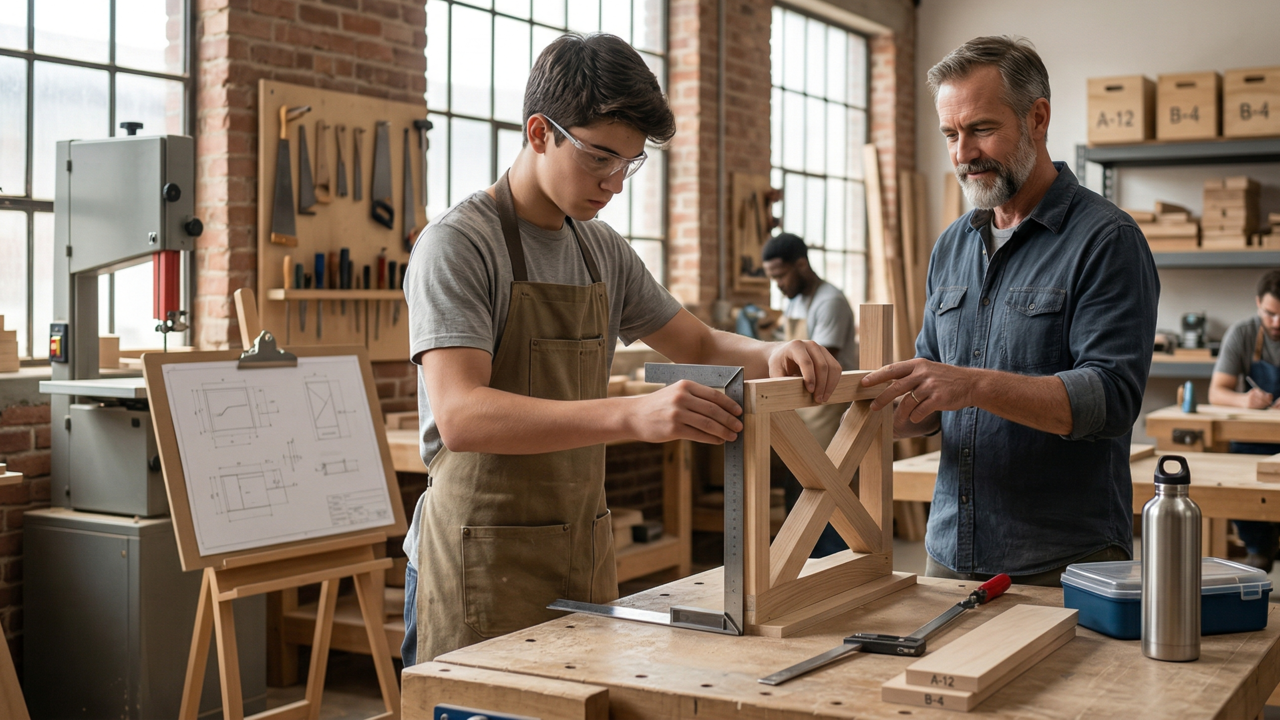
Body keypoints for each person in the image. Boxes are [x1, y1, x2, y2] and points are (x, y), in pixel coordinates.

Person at [401, 33, 842, 666]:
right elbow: (464, 416)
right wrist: (633, 415)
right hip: (478, 561)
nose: (614, 182)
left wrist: (775, 353)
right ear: (538, 132)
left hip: (580, 551)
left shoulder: (599, 248)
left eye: (629, 164)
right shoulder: (458, 245)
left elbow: (698, 340)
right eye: (599, 158)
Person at [860, 36, 1160, 586]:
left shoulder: (1106, 239)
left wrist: (972, 386)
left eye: (980, 129)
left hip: (1062, 561)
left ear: (1037, 119)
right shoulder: (952, 245)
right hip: (949, 552)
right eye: (951, 134)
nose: (962, 153)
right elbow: (934, 389)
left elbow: (1111, 399)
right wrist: (882, 413)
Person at [762, 233, 858, 556]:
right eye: (772, 277)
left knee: (828, 502)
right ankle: (803, 569)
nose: (778, 285)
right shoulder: (796, 300)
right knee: (801, 499)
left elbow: (817, 365)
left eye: (781, 276)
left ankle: (832, 572)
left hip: (828, 416)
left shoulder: (830, 301)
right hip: (803, 419)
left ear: (801, 265)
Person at [1208, 270, 1280, 571]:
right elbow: (1216, 392)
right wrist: (1245, 400)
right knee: (1237, 469)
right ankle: (1258, 547)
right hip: (1253, 439)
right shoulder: (1242, 333)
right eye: (1270, 313)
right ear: (1257, 304)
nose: (1277, 323)